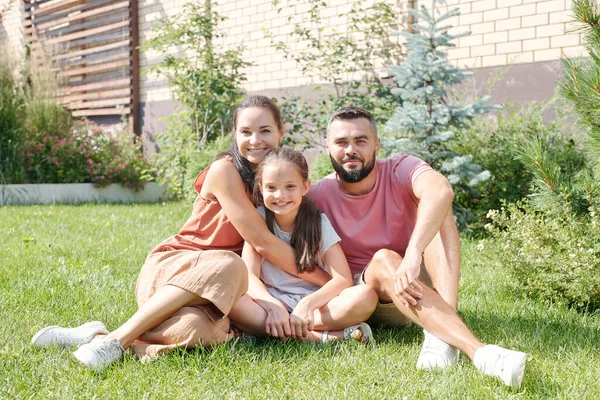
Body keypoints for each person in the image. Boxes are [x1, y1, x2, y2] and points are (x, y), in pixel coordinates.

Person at [30, 96, 373, 373]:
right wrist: (315, 284)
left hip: (222, 289)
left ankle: (97, 334)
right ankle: (115, 341)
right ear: (235, 135)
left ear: (280, 133)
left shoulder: (275, 182)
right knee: (229, 264)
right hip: (179, 270)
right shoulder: (225, 171)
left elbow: (281, 244)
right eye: (246, 132)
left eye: (265, 131)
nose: (256, 141)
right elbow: (262, 243)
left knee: (202, 333)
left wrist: (326, 283)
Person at [309, 106, 527, 389]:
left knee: (439, 207)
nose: (350, 150)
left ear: (377, 145)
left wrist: (413, 254)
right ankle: (479, 353)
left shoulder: (400, 169)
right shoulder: (316, 195)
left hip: (413, 280)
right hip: (370, 296)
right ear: (328, 147)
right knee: (385, 258)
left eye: (360, 141)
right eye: (341, 142)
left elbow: (441, 190)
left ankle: (440, 335)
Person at [227, 148, 377, 343]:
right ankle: (323, 338)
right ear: (260, 188)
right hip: (269, 304)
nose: (280, 195)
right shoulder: (258, 220)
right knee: (228, 297)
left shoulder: (318, 222)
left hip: (315, 307)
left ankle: (278, 331)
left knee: (365, 296)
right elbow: (249, 276)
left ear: (305, 187)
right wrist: (273, 306)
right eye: (271, 188)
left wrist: (309, 304)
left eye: (290, 186)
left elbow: (342, 279)